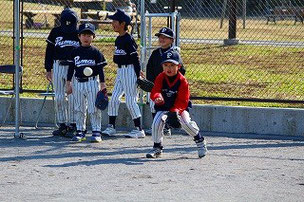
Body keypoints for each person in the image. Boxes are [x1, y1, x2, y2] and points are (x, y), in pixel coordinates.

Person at [146, 50, 207, 158]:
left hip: (180, 108)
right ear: (162, 66)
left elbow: (183, 101)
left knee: (186, 123)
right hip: (164, 107)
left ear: (178, 66)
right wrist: (157, 97)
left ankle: (200, 141)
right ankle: (157, 148)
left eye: (172, 65)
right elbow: (155, 91)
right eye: (166, 65)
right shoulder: (161, 77)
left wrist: (174, 112)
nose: (168, 68)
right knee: (156, 123)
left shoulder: (182, 81)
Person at [101, 9, 145, 138]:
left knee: (131, 100)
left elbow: (135, 58)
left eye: (115, 21)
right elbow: (117, 57)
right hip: (121, 71)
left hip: (130, 70)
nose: (112, 23)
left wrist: (138, 74)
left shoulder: (128, 39)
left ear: (122, 23)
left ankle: (139, 129)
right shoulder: (118, 39)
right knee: (114, 98)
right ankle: (111, 127)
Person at [66, 23, 107, 143]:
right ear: (79, 36)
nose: (86, 37)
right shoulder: (75, 51)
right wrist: (68, 83)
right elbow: (71, 69)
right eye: (83, 34)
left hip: (92, 82)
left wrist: (103, 84)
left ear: (93, 37)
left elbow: (100, 69)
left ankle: (96, 131)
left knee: (94, 108)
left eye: (89, 35)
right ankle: (80, 131)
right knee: (79, 107)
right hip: (78, 82)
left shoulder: (96, 52)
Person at [144, 27, 186, 136]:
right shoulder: (155, 53)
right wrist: (151, 82)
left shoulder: (174, 54)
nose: (161, 39)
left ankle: (166, 127)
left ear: (172, 40)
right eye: (160, 37)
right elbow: (150, 68)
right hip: (156, 86)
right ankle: (157, 126)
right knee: (154, 106)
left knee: (167, 106)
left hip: (169, 87)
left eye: (165, 38)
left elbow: (181, 70)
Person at [45, 8, 79, 137]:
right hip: (58, 65)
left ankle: (73, 124)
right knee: (59, 97)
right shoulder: (56, 32)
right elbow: (49, 51)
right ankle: (62, 124)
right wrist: (48, 69)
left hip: (74, 66)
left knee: (72, 97)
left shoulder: (78, 32)